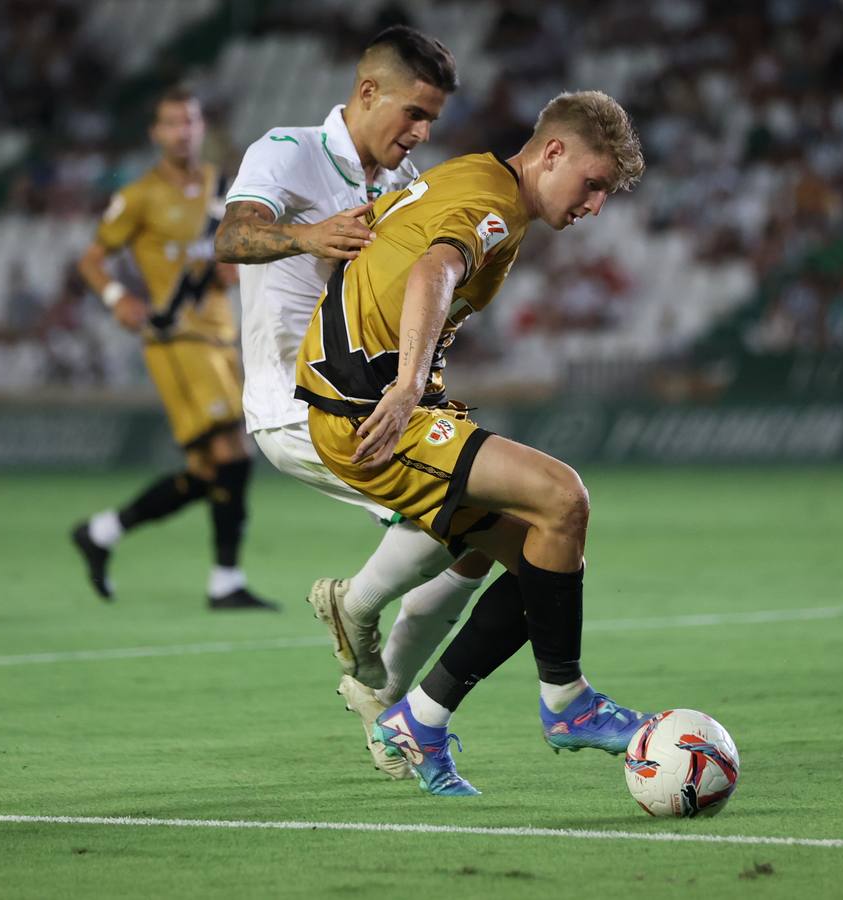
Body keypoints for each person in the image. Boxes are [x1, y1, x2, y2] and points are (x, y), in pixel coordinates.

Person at [296, 90, 649, 796]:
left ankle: (419, 720)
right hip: (366, 409)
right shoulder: (494, 202)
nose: (594, 206)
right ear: (553, 153)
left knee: (541, 559)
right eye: (593, 184)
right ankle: (568, 703)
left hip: (361, 396)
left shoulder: (471, 177)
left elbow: (388, 256)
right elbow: (434, 270)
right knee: (563, 496)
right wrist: (404, 386)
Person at [214, 26, 491, 778]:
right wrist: (306, 236)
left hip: (368, 401)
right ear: (367, 93)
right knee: (477, 502)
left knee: (479, 537)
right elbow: (231, 235)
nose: (422, 131)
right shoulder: (288, 149)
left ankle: (386, 699)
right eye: (412, 112)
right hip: (294, 402)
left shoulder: (409, 184)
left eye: (431, 118)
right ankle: (361, 624)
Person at [70, 87, 275, 610]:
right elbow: (92, 260)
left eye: (190, 121)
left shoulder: (221, 189)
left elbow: (228, 263)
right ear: (155, 134)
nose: (182, 132)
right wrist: (118, 297)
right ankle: (225, 581)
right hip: (176, 339)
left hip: (221, 334)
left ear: (200, 127)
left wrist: (233, 269)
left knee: (211, 472)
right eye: (172, 123)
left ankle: (103, 531)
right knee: (233, 452)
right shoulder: (138, 196)